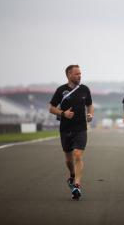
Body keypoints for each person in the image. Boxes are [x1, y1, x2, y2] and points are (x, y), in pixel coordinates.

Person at [49, 64, 94, 200]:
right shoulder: (61, 90)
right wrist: (63, 113)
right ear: (69, 75)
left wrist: (90, 114)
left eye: (80, 73)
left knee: (78, 155)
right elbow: (51, 108)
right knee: (69, 159)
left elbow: (90, 105)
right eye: (76, 74)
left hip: (81, 128)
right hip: (65, 129)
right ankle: (72, 175)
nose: (79, 76)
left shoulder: (85, 89)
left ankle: (77, 186)